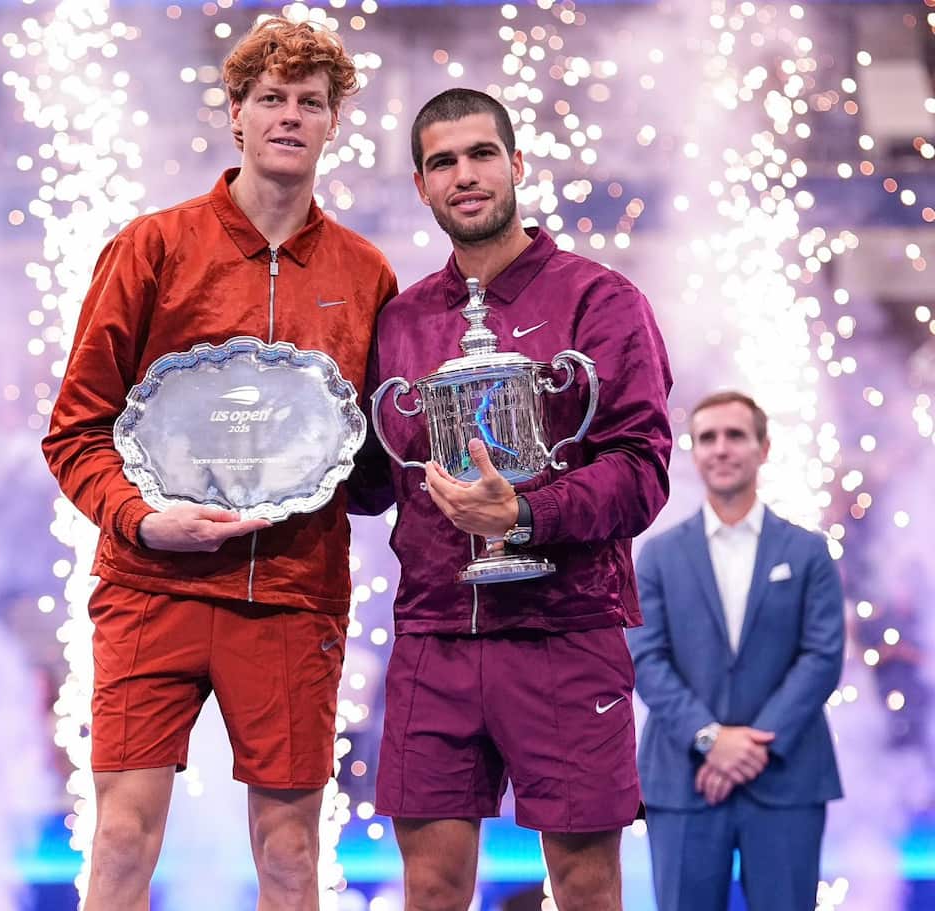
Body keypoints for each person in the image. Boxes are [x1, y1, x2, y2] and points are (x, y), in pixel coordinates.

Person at [42, 18, 397, 911]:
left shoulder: (365, 272)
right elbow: (75, 430)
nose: (290, 116)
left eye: (310, 101)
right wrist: (143, 519)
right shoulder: (152, 246)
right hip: (151, 582)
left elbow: (368, 464)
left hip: (293, 591)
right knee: (121, 841)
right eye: (271, 98)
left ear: (334, 122)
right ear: (236, 114)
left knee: (291, 853)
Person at [351, 88, 673, 911]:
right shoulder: (400, 319)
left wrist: (526, 516)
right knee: (429, 891)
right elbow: (372, 478)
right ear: (421, 186)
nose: (464, 175)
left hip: (565, 629)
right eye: (443, 162)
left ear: (517, 164)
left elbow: (642, 469)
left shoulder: (600, 300)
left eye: (481, 154)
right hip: (434, 633)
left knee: (587, 890)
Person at [629, 391, 844, 911]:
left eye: (735, 435)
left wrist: (750, 747)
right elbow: (646, 660)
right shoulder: (656, 555)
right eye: (708, 438)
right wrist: (710, 739)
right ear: (694, 451)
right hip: (682, 779)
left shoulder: (809, 552)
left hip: (788, 777)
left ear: (763, 448)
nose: (721, 448)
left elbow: (822, 657)